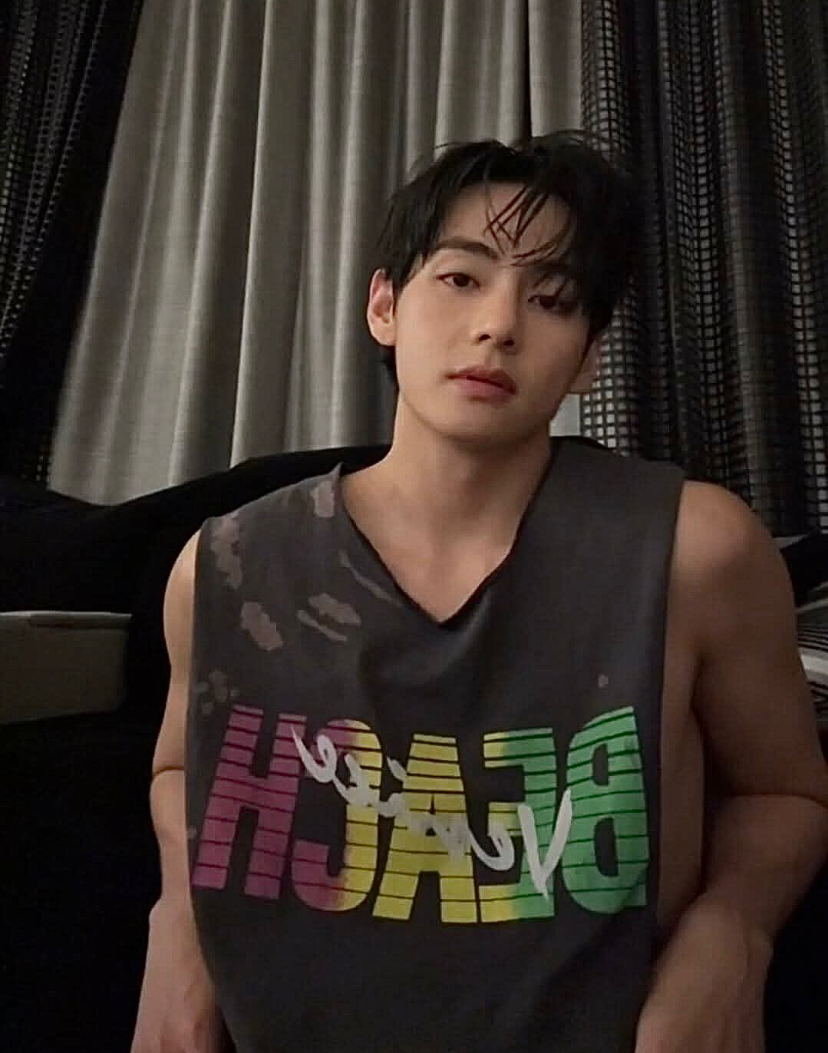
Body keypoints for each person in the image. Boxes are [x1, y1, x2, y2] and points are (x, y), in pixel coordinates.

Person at [131, 130, 828, 1053]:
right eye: (461, 278)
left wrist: (734, 931)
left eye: (552, 299)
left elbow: (783, 791)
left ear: (588, 358)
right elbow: (183, 767)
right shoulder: (227, 565)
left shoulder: (693, 551)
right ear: (384, 304)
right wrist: (180, 912)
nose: (500, 324)